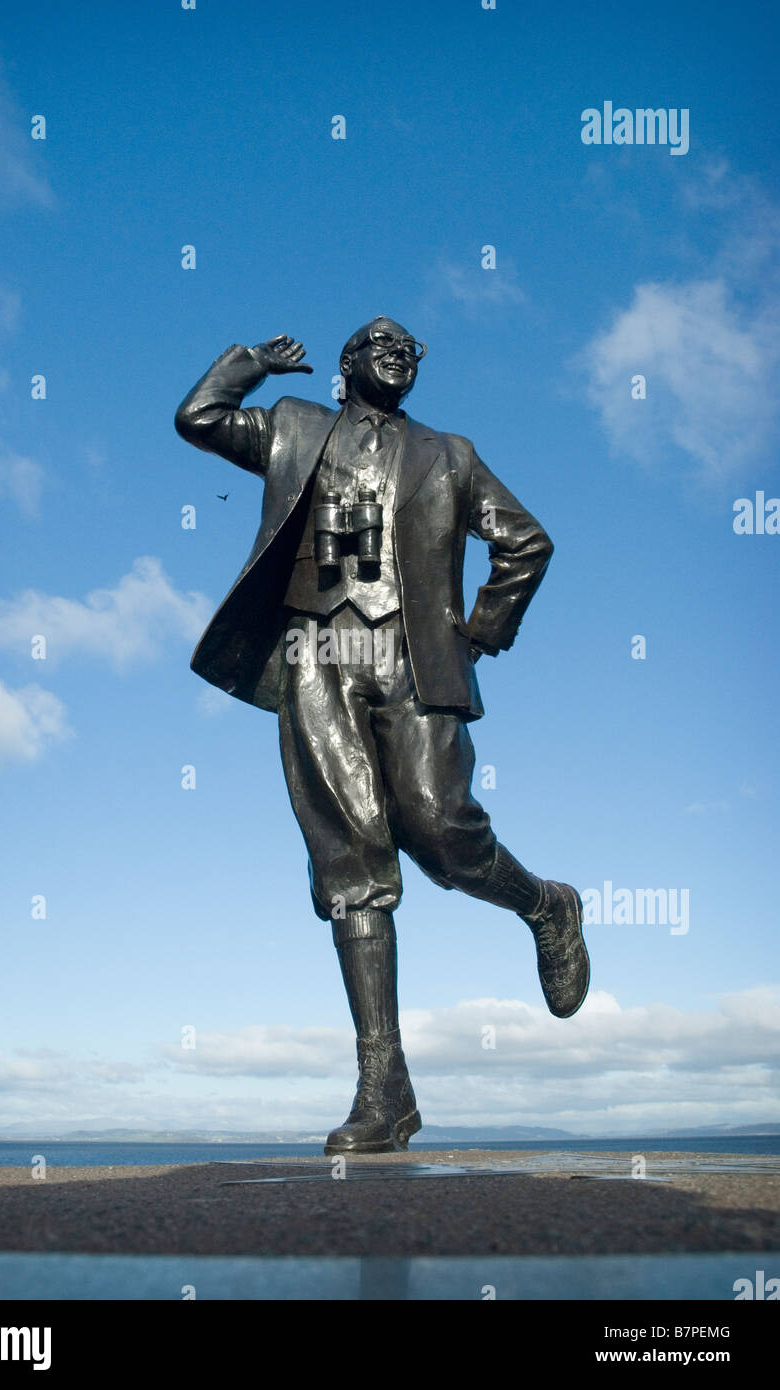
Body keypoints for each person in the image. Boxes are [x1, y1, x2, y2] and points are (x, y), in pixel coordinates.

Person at [174, 318, 589, 1154]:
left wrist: (481, 628)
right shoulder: (294, 427)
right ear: (348, 364)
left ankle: (547, 904)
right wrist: (250, 364)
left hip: (414, 656)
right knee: (350, 863)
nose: (400, 353)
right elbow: (199, 418)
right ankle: (384, 1087)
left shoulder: (451, 456)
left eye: (411, 349)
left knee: (441, 831)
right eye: (381, 343)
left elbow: (527, 543)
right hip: (314, 649)